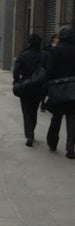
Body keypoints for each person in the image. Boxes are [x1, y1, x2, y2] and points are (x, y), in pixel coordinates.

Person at [43, 25, 75, 159]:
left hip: (58, 89)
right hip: (73, 90)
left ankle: (52, 142)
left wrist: (46, 89)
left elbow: (49, 71)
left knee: (56, 117)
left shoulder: (54, 51)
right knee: (72, 120)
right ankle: (70, 149)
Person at [12, 34, 44, 147]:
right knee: (34, 110)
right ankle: (32, 131)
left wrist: (16, 81)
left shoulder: (23, 54)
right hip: (38, 86)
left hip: (25, 85)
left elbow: (16, 70)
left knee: (26, 111)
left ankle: (29, 134)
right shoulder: (43, 55)